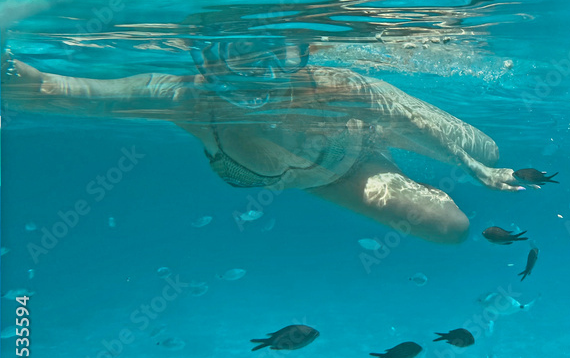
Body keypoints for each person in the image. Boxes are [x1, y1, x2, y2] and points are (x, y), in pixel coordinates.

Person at [3, 42, 526, 244]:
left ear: (300, 55)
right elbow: (78, 93)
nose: (257, 78)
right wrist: (36, 85)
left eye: (273, 61)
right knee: (451, 228)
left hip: (366, 127)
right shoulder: (184, 100)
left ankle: (467, 158)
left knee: (489, 152)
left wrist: (469, 166)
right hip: (336, 177)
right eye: (234, 62)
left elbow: (407, 119)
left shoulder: (333, 84)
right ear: (205, 63)